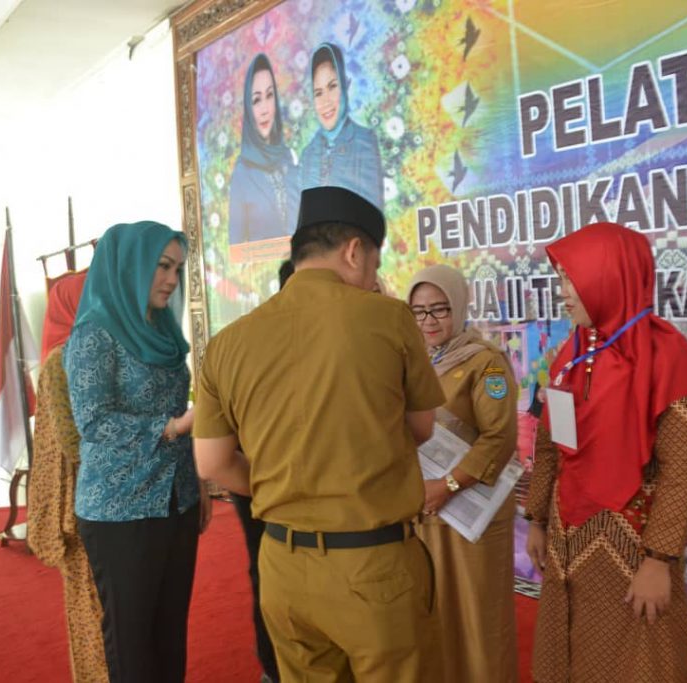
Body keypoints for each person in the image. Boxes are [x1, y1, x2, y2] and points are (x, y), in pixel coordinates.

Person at [193, 185, 445, 682]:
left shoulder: (226, 343)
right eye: (373, 265)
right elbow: (422, 428)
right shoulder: (389, 317)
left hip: (282, 567)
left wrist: (285, 480)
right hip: (373, 567)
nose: (371, 279)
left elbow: (212, 463)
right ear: (353, 251)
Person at [523, 222, 687, 682]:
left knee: (634, 661)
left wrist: (659, 560)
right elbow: (551, 445)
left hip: (632, 552)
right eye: (561, 280)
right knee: (568, 653)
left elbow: (680, 473)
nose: (563, 292)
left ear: (608, 276)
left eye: (572, 279)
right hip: (567, 541)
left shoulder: (669, 358)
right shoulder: (570, 355)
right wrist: (537, 518)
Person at [64, 221, 211, 683]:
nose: (171, 279)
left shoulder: (162, 330)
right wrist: (172, 428)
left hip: (177, 500)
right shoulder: (94, 334)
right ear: (130, 266)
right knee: (132, 644)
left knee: (169, 634)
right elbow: (93, 421)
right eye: (162, 267)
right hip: (120, 509)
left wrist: (198, 481)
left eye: (177, 269)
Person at [406, 264, 518, 682]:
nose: (429, 321)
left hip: (471, 511)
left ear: (458, 307)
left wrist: (449, 484)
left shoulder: (485, 362)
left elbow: (499, 437)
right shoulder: (411, 362)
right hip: (426, 510)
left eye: (440, 309)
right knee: (433, 616)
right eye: (418, 311)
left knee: (477, 619)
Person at [27, 280, 106, 682]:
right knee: (90, 605)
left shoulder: (100, 353)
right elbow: (73, 445)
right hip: (80, 504)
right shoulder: (61, 363)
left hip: (101, 497)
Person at [224, 259, 295, 683]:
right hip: (260, 482)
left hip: (264, 481)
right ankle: (273, 668)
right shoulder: (253, 342)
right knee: (267, 571)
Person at [298, 43, 384, 210]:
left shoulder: (364, 141)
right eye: (318, 93)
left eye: (332, 86)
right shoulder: (308, 154)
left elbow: (373, 214)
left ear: (345, 85)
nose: (326, 101)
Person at [229, 54, 297, 245]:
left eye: (269, 95)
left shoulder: (289, 158)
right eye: (256, 100)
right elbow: (236, 246)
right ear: (248, 108)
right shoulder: (242, 172)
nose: (265, 109)